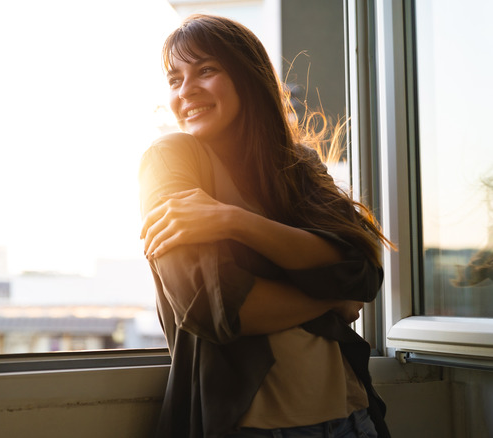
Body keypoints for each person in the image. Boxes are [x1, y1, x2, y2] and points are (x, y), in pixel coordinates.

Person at [138, 14, 393, 438]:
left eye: (206, 70)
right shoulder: (170, 159)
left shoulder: (299, 166)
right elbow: (218, 310)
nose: (187, 90)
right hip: (252, 427)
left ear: (247, 76)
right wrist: (331, 297)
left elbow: (363, 270)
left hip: (352, 418)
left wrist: (234, 221)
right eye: (175, 78)